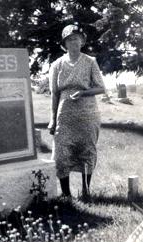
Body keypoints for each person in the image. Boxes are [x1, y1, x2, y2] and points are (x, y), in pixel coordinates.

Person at [48, 24, 105, 200]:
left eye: (77, 39)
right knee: (61, 151)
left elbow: (101, 88)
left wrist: (83, 92)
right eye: (70, 39)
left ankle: (86, 191)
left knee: (87, 150)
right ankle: (66, 195)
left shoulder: (90, 61)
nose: (74, 42)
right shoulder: (57, 65)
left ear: (82, 42)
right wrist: (52, 119)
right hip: (65, 113)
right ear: (65, 43)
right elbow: (54, 94)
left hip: (88, 112)